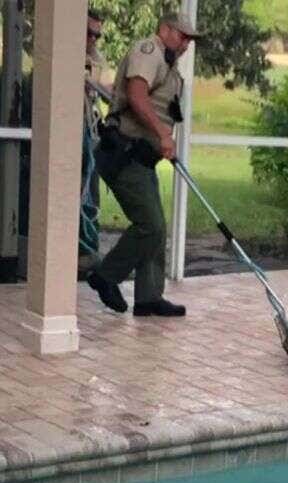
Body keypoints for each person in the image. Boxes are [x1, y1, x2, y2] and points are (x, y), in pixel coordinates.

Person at [87, 13, 200, 317]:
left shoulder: (171, 67)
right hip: (124, 153)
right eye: (182, 35)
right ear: (164, 29)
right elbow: (137, 96)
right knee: (150, 225)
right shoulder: (148, 51)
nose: (187, 43)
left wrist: (162, 138)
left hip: (142, 158)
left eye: (190, 39)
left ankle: (149, 296)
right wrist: (163, 134)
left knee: (156, 227)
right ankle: (105, 276)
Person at [79, 9, 111, 274]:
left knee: (90, 190)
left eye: (97, 35)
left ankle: (87, 253)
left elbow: (107, 93)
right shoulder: (63, 54)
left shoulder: (96, 61)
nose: (93, 39)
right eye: (89, 32)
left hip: (89, 131)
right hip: (66, 133)